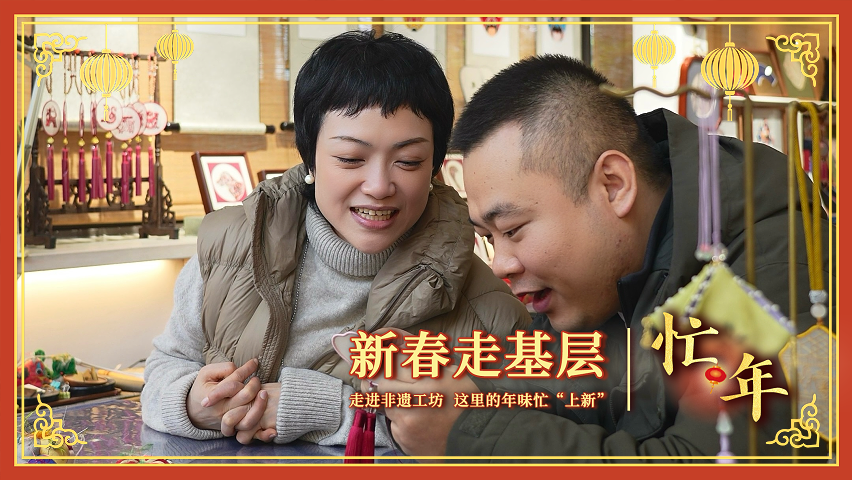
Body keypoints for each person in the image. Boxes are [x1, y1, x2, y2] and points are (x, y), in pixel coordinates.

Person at [375, 55, 833, 461]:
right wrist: (447, 383)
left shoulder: (773, 264)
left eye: (512, 230)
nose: (500, 264)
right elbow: (546, 381)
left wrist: (467, 435)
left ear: (614, 185)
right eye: (489, 237)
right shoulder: (596, 285)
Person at [141, 31, 530, 447]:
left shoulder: (487, 309)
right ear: (309, 156)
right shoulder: (233, 247)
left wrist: (325, 407)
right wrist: (191, 402)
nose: (379, 186)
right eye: (350, 159)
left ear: (435, 166)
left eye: (408, 161)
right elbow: (164, 368)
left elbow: (503, 435)